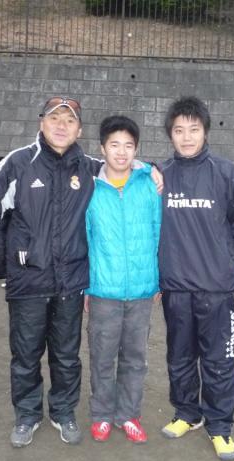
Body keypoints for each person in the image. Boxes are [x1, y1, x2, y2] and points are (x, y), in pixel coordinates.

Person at [0, 96, 162, 448]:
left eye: (69, 120)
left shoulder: (88, 167)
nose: (61, 126)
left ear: (79, 130)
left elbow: (121, 162)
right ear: (41, 123)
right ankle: (27, 415)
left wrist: (153, 167)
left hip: (71, 282)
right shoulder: (17, 163)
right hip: (28, 280)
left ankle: (63, 412)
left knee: (66, 355)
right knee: (26, 354)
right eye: (54, 118)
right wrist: (0, 267)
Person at [157, 96, 234, 461]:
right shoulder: (159, 176)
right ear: (170, 134)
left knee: (219, 361)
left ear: (205, 131)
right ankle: (187, 413)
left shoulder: (225, 173)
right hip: (176, 288)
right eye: (179, 130)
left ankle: (220, 426)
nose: (186, 137)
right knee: (179, 357)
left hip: (217, 289)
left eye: (194, 129)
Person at [83, 115, 162, 444]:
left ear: (136, 150)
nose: (121, 152)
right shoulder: (90, 188)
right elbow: (84, 239)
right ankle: (102, 414)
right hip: (104, 289)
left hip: (142, 290)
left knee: (135, 358)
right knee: (102, 356)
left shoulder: (149, 184)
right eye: (114, 144)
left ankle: (128, 415)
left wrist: (157, 280)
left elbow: (159, 232)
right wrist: (86, 287)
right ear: (102, 149)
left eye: (128, 145)